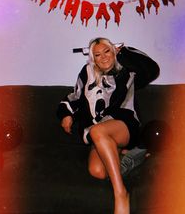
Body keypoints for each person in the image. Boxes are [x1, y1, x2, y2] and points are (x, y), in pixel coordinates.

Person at [56, 37, 160, 214]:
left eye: (107, 51)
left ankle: (120, 193)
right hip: (99, 131)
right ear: (93, 58)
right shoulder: (87, 72)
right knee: (97, 171)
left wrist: (124, 52)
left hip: (125, 125)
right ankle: (129, 155)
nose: (103, 57)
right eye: (97, 54)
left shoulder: (127, 70)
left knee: (97, 131)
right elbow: (75, 95)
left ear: (113, 52)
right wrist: (66, 114)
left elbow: (152, 69)